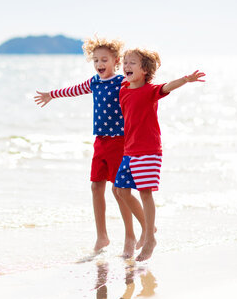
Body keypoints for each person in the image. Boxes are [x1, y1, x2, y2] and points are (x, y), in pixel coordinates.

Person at [34, 36, 146, 258]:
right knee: (96, 187)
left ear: (116, 60)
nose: (99, 64)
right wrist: (51, 95)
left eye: (104, 59)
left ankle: (132, 235)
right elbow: (74, 89)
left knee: (120, 192)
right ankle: (102, 236)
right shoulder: (95, 82)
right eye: (96, 60)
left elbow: (142, 90)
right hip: (100, 142)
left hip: (119, 142)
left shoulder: (122, 82)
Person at [114, 48, 205, 261]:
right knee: (120, 191)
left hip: (148, 151)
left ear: (145, 70)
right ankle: (148, 228)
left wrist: (186, 79)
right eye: (125, 62)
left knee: (145, 193)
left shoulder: (151, 90)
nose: (127, 66)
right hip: (129, 150)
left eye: (132, 63)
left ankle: (149, 240)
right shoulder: (123, 90)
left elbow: (167, 86)